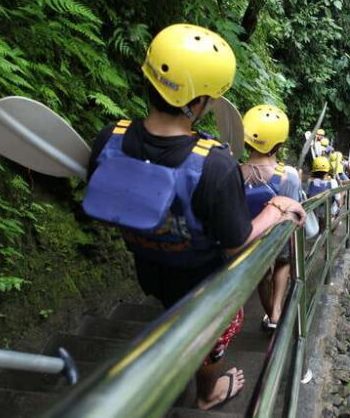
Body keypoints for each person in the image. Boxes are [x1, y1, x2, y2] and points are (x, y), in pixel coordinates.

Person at [82, 24, 305, 411]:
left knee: (172, 311)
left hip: (149, 266)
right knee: (210, 337)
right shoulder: (214, 165)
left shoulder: (109, 138)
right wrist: (275, 209)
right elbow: (237, 242)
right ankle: (208, 393)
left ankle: (175, 349)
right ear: (201, 101)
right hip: (202, 283)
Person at [239, 104, 303, 331]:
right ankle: (277, 312)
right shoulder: (290, 175)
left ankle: (269, 313)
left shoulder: (235, 172)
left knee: (263, 275)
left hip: (251, 237)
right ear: (280, 142)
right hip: (279, 235)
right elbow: (294, 210)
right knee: (283, 263)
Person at [307, 156, 341, 224]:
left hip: (316, 212)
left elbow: (308, 195)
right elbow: (338, 200)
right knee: (338, 213)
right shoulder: (332, 181)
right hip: (330, 211)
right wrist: (339, 207)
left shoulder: (310, 181)